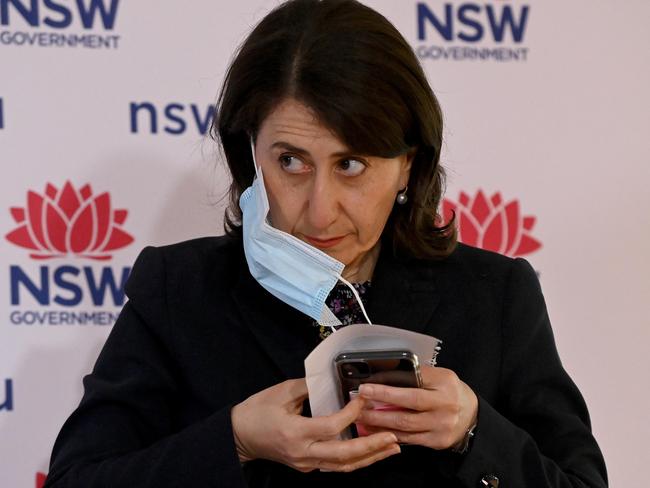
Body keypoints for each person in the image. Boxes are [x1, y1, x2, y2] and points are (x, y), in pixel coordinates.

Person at [43, 0, 608, 487]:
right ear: (250, 157)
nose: (319, 208)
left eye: (353, 164)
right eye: (290, 161)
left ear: (408, 166)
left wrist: (474, 432)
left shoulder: (496, 295)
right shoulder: (178, 288)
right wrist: (236, 440)